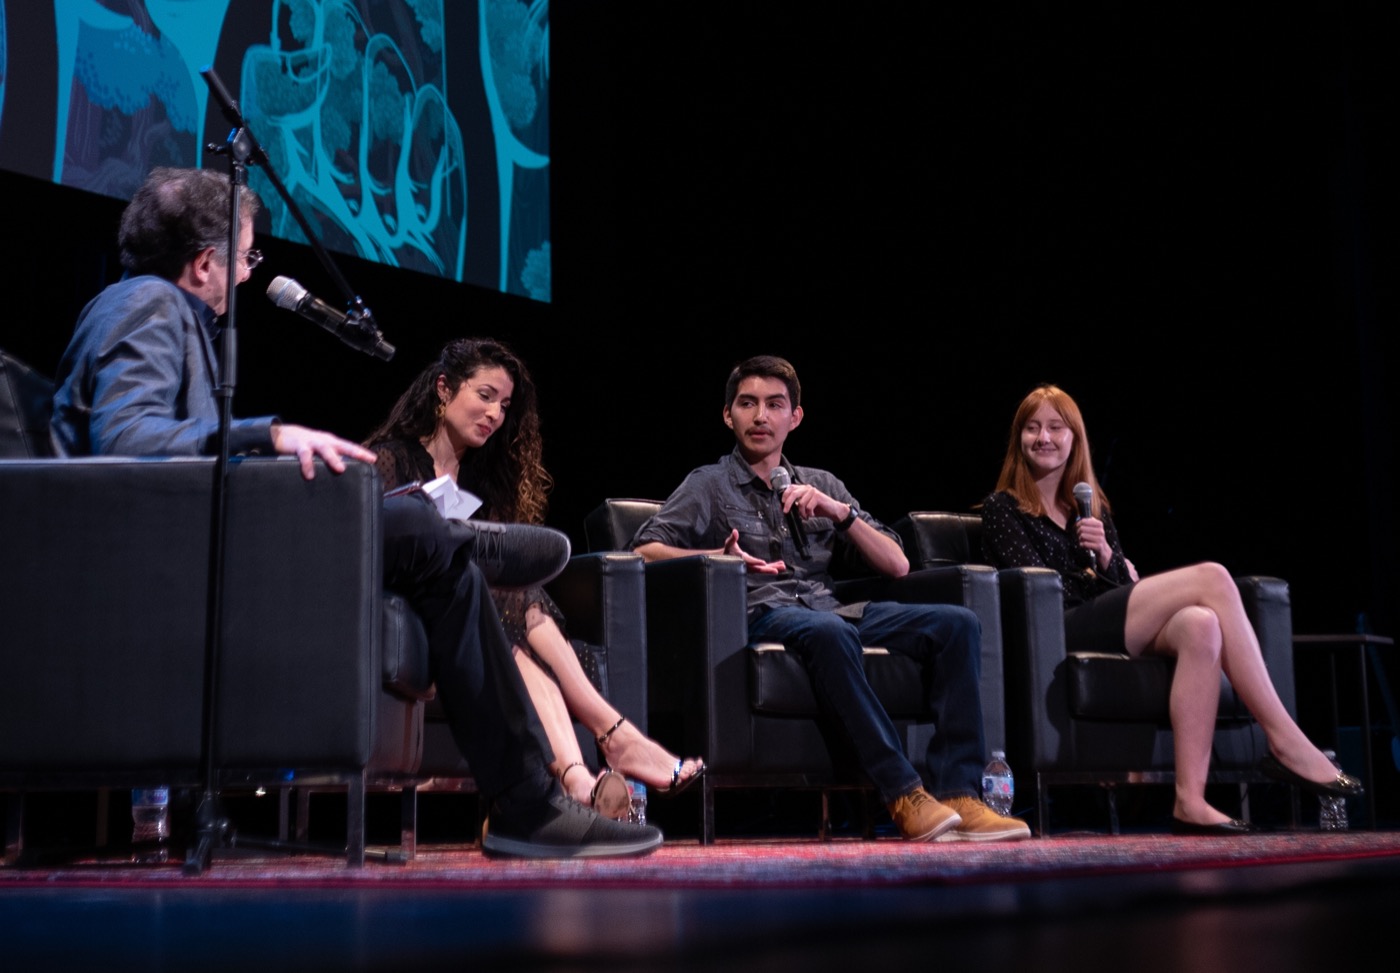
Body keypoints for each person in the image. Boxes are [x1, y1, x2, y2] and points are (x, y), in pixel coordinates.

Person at [49, 166, 662, 859]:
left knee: (448, 570)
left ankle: (528, 805)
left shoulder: (159, 311)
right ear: (202, 262)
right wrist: (269, 435)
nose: (250, 275)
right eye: (248, 257)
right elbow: (129, 443)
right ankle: (456, 539)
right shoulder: (147, 308)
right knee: (423, 533)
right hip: (183, 560)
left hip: (205, 542)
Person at [630, 355, 1030, 842]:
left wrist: (841, 514)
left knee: (956, 624)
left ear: (794, 417)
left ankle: (962, 794)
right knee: (830, 632)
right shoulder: (708, 485)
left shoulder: (821, 484)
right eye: (747, 404)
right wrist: (718, 555)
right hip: (761, 613)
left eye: (774, 405)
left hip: (830, 608)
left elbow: (898, 565)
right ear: (727, 415)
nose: (760, 416)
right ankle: (903, 792)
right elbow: (643, 549)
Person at [980, 384, 1362, 834]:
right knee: (1214, 577)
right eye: (1032, 428)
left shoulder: (1091, 509)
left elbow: (1125, 584)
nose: (1043, 438)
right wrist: (1111, 573)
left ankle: (1189, 800)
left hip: (1102, 618)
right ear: (1018, 439)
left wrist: (1106, 556)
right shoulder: (1002, 508)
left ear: (1075, 439)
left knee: (1201, 627)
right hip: (1058, 629)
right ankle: (1284, 739)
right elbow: (1035, 589)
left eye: (1056, 428)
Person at [365, 338, 705, 817]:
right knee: (509, 591)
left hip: (483, 621)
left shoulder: (484, 481)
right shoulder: (390, 460)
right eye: (485, 396)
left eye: (504, 406)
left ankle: (579, 786)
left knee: (518, 627)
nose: (495, 415)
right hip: (417, 608)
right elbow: (372, 549)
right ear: (444, 389)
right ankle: (615, 735)